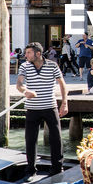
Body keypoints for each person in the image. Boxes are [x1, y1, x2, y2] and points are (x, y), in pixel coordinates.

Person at [15, 42, 69, 175]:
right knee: (30, 139)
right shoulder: (25, 66)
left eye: (28, 53)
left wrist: (64, 103)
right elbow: (19, 84)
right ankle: (31, 168)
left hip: (50, 107)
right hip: (32, 108)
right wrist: (25, 91)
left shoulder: (52, 65)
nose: (26, 55)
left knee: (56, 138)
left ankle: (57, 168)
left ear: (38, 53)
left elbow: (62, 84)